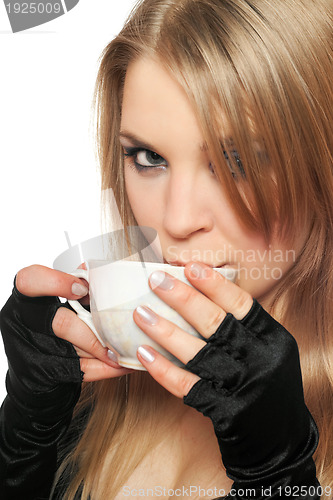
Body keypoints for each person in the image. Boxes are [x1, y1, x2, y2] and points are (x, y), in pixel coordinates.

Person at [1, 0, 332, 498]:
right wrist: (26, 433)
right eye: (149, 157)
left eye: (237, 160)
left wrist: (279, 480)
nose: (176, 221)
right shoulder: (104, 395)